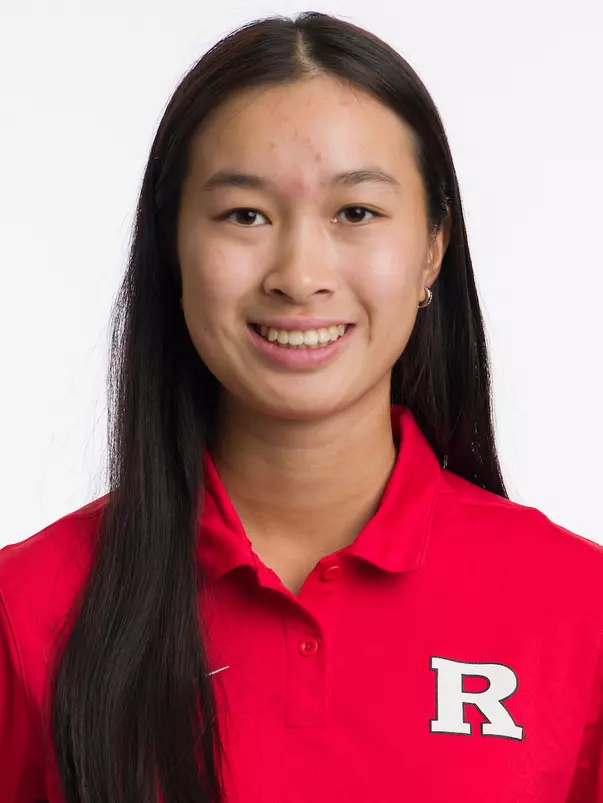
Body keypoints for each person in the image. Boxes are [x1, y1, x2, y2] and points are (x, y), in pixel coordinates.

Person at [0, 10, 601, 803]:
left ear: (431, 249)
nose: (299, 273)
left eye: (355, 212)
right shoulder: (29, 603)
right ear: (172, 246)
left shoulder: (577, 608)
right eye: (244, 214)